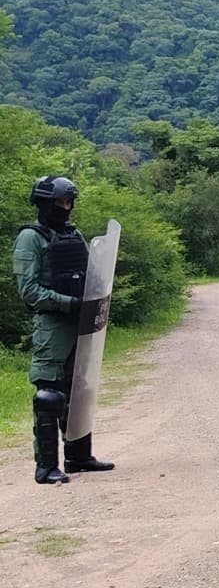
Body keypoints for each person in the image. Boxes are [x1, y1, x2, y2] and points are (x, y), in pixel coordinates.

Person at [14, 176, 115, 484]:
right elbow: (29, 290)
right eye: (60, 202)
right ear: (45, 203)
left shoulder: (73, 234)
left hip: (80, 322)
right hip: (52, 325)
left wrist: (94, 299)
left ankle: (78, 457)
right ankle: (46, 467)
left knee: (80, 390)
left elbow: (90, 271)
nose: (66, 207)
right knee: (49, 394)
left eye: (69, 202)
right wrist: (69, 303)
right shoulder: (31, 238)